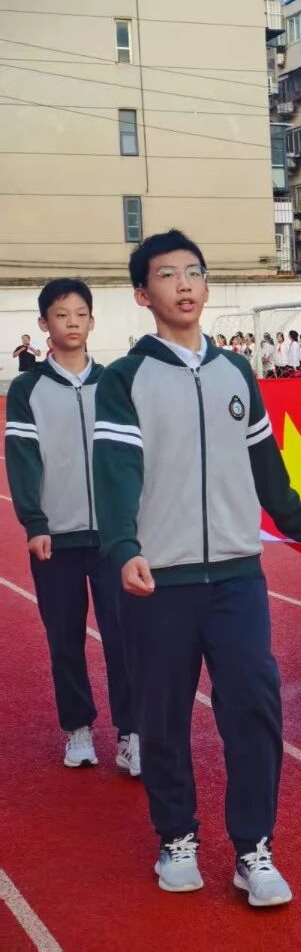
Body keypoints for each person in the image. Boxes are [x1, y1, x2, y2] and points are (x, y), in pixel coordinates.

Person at [93, 229, 301, 905]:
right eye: (167, 274)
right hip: (160, 579)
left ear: (206, 285)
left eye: (194, 272)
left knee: (254, 707)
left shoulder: (236, 371)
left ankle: (253, 848)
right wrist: (123, 548)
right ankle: (176, 836)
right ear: (142, 294)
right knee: (162, 716)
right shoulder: (124, 379)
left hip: (238, 577)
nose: (184, 284)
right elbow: (116, 473)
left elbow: (269, 471)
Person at [6, 278, 139, 775]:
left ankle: (130, 734)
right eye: (62, 315)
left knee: (125, 639)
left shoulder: (115, 383)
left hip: (113, 538)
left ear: (92, 321)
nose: (73, 323)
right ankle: (78, 729)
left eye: (81, 314)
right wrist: (34, 522)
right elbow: (23, 458)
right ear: (45, 324)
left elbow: (133, 456)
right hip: (55, 538)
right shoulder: (28, 389)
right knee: (65, 640)